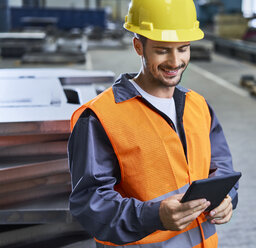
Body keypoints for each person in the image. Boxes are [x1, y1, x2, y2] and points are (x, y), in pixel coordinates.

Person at [68, 0, 239, 247]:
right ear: (138, 46)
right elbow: (91, 204)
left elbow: (221, 168)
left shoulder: (198, 106)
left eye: (183, 48)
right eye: (162, 50)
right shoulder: (100, 118)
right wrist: (155, 215)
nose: (175, 61)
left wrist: (228, 198)